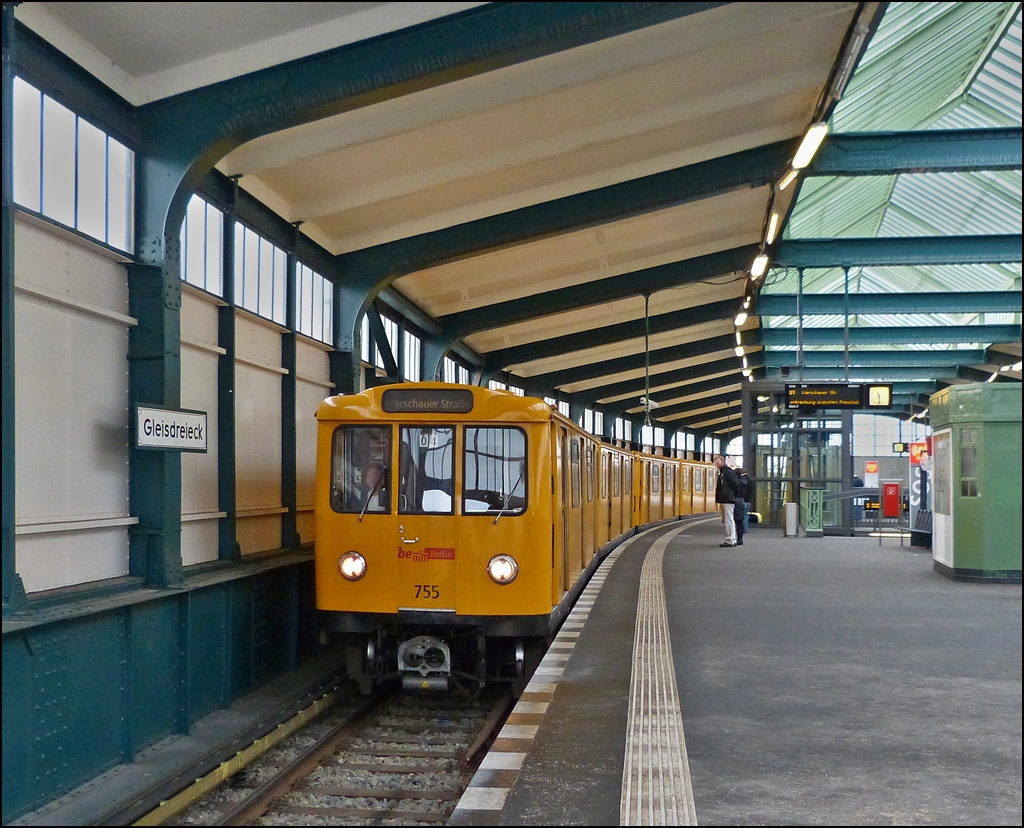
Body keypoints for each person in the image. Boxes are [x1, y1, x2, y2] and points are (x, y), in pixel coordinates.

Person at [713, 456, 740, 547]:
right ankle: (731, 538)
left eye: (717, 463)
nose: (716, 465)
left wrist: (730, 494)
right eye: (715, 463)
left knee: (728, 519)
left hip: (728, 499)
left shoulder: (727, 473)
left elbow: (736, 484)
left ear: (723, 462)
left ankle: (731, 539)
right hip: (725, 499)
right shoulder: (723, 473)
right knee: (726, 520)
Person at [734, 467, 752, 543]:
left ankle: (743, 531)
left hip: (740, 500)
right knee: (744, 516)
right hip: (745, 500)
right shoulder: (747, 480)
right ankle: (744, 530)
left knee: (739, 518)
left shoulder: (737, 482)